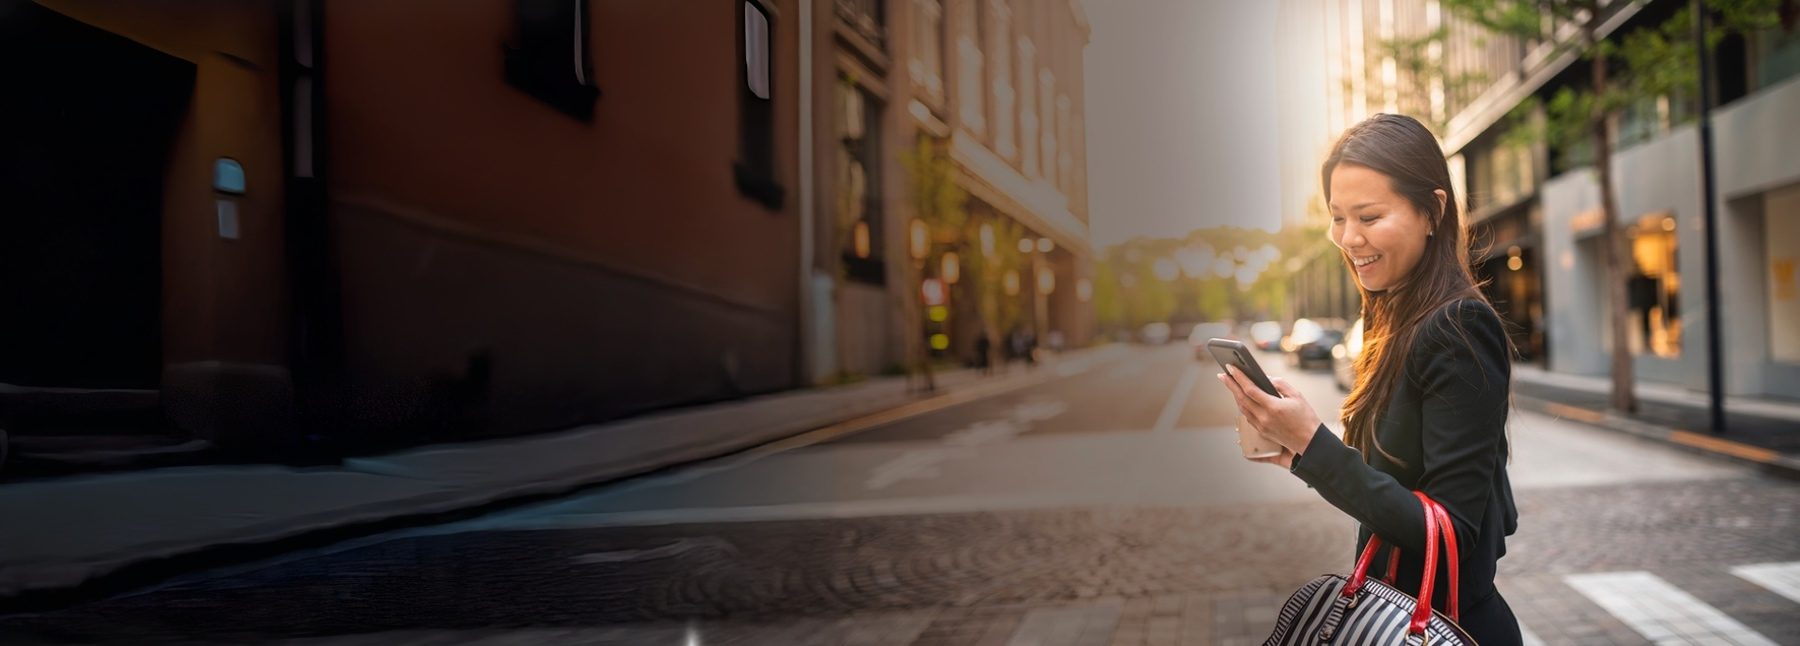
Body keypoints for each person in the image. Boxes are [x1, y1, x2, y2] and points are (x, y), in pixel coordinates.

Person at [1217, 113, 1522, 645]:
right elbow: (1395, 481)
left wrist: (1313, 444)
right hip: (1395, 619)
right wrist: (1298, 450)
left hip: (1448, 630)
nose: (1349, 238)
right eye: (1338, 217)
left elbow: (1450, 531)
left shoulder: (1458, 327)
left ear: (1433, 211)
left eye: (1369, 216)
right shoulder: (1395, 316)